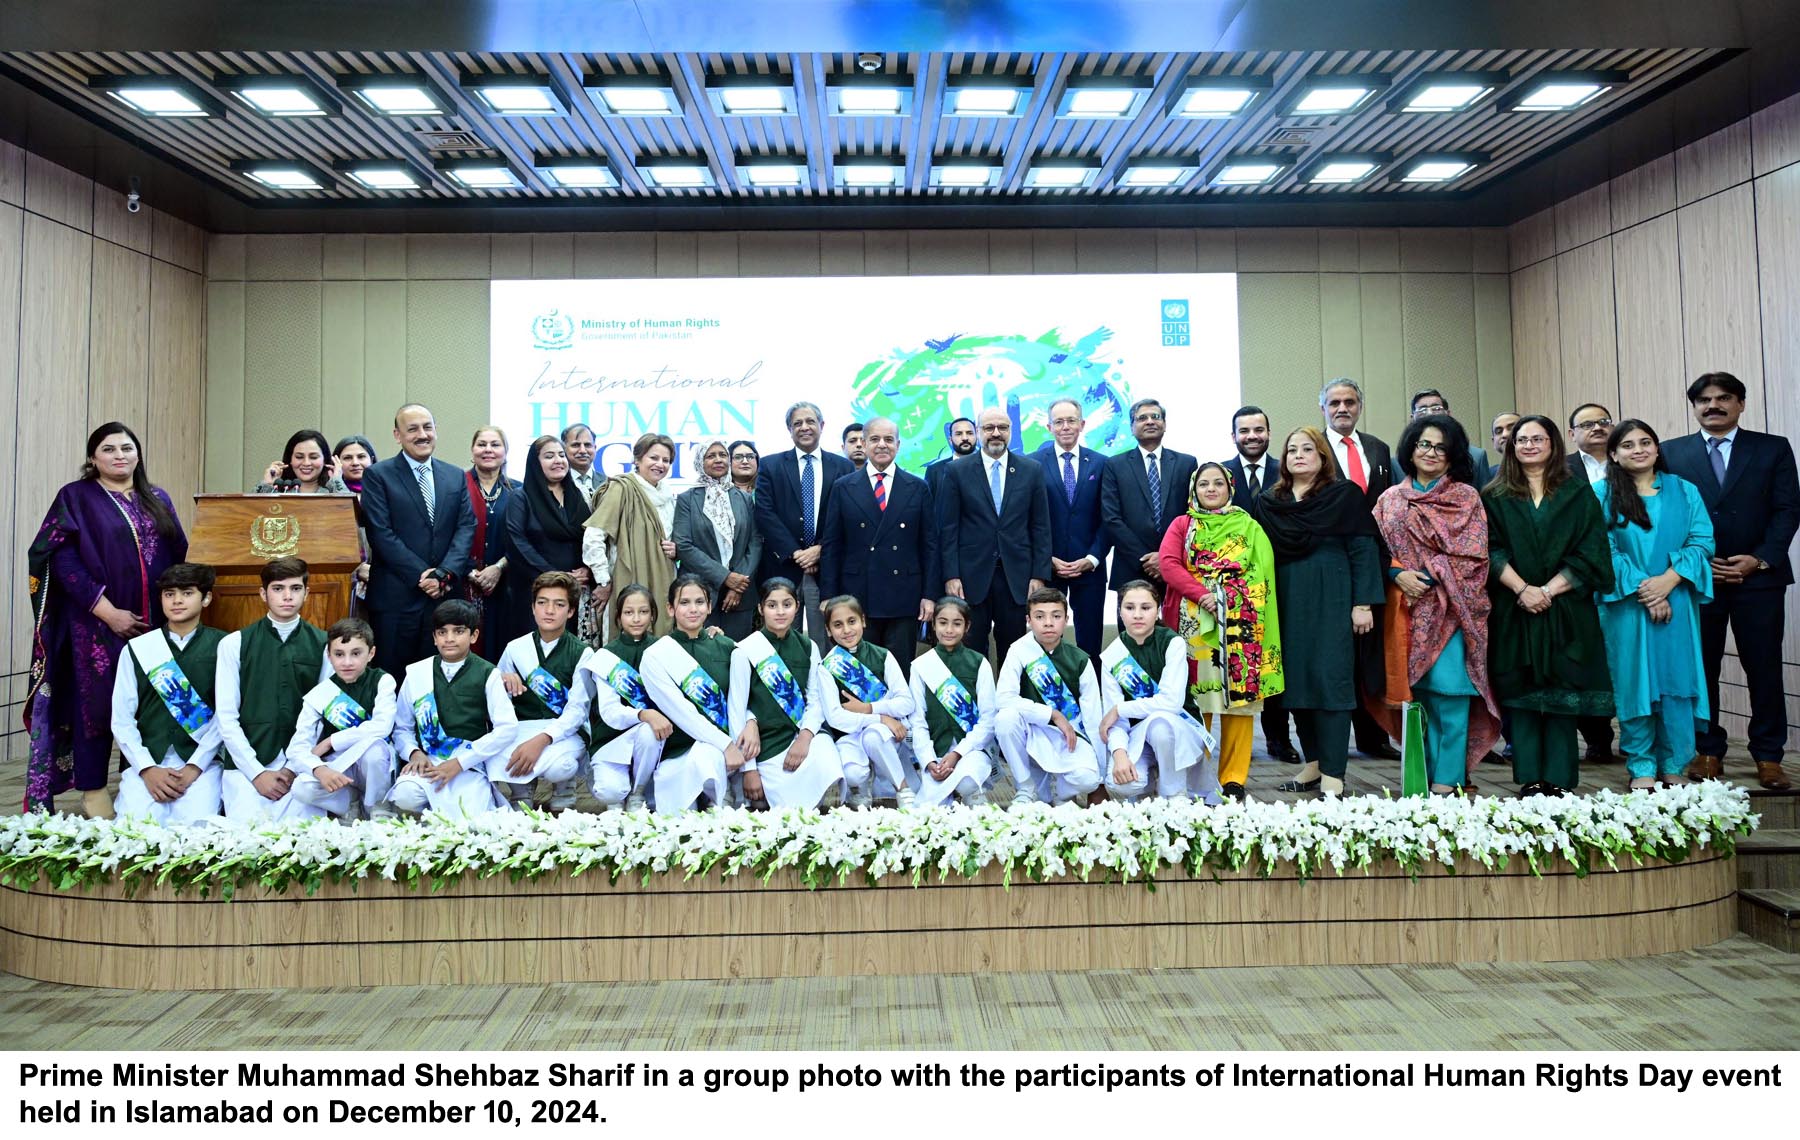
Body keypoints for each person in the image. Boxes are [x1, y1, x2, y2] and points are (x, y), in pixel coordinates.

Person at [24, 421, 189, 815]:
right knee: (97, 706)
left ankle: (143, 781)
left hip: (156, 626)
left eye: (127, 448)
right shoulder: (76, 497)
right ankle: (93, 788)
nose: (120, 456)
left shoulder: (157, 498)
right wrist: (108, 612)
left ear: (138, 454)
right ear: (92, 458)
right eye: (109, 449)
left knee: (158, 702)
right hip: (96, 625)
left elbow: (180, 554)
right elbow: (60, 560)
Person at [1662, 372, 1799, 789]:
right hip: (1697, 580)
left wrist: (1759, 560)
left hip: (1758, 579)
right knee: (1701, 668)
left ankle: (1769, 755)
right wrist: (1689, 563)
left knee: (1764, 667)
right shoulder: (1671, 452)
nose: (1713, 406)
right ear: (1694, 407)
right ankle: (1707, 750)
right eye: (1704, 400)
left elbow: (1788, 509)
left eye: (1723, 398)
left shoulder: (1772, 448)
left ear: (1741, 403)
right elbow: (1666, 514)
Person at [1483, 415, 1615, 796]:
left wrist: (1547, 591)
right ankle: (1530, 778)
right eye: (1521, 439)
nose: (1529, 445)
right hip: (1515, 607)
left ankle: (1559, 779)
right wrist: (1523, 589)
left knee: (1561, 693)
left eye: (1537, 438)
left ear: (1553, 444)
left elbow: (1592, 552)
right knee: (1521, 694)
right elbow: (1488, 549)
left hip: (1565, 608)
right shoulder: (1493, 495)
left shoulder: (1577, 493)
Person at [1371, 416, 1501, 794]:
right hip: (1403, 610)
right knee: (1419, 695)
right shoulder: (1390, 500)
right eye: (1424, 444)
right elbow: (1376, 550)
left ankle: (1449, 778)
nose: (1431, 452)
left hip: (1453, 610)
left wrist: (1427, 578)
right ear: (1411, 449)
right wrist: (1398, 574)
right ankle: (1421, 775)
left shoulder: (1465, 498)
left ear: (1453, 454)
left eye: (1441, 447)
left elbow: (1473, 555)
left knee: (1452, 692)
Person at [1257, 427, 1383, 798]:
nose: (1298, 455)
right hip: (1284, 600)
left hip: (1333, 596)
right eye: (1291, 449)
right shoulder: (1270, 501)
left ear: (1322, 456)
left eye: (1307, 449)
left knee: (1331, 682)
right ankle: (1312, 764)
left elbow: (1363, 548)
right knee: (1296, 685)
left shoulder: (1344, 496)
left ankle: (1333, 773)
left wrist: (1363, 603)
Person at [1594, 420, 1714, 791]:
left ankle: (1673, 762)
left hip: (1676, 599)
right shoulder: (1601, 493)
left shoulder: (1684, 490)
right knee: (1635, 682)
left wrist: (1668, 581)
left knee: (1677, 679)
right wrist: (1646, 590)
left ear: (1657, 448)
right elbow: (1601, 548)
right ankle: (1642, 763)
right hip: (1626, 603)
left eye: (1645, 442)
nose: (1639, 450)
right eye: (1628, 445)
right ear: (1614, 454)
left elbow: (1702, 541)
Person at [1159, 463, 1283, 802]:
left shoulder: (1248, 526)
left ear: (1230, 488)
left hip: (1241, 624)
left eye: (1218, 483)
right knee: (1197, 699)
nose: (1211, 489)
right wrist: (1204, 595)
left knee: (1238, 704)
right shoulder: (1183, 524)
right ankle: (1196, 773)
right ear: (1194, 490)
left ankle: (1233, 780)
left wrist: (1230, 599)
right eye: (1203, 484)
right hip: (1192, 624)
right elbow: (1169, 564)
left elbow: (1262, 571)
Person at [360, 404, 478, 672]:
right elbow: (380, 532)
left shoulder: (455, 475)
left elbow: (466, 526)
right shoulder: (378, 475)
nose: (422, 435)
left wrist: (443, 574)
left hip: (445, 597)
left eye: (427, 427)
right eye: (412, 429)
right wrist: (422, 576)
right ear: (397, 435)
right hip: (396, 599)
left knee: (442, 677)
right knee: (393, 677)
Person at [1318, 379, 1398, 760]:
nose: (1342, 409)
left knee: (1370, 652)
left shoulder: (1378, 448)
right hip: (1331, 561)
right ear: (1323, 408)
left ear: (1359, 407)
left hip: (1373, 562)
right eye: (1334, 402)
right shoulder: (1312, 447)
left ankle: (1373, 736)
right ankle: (1331, 741)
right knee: (1337, 652)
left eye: (1349, 402)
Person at [109, 562, 225, 825]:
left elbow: (227, 715)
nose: (177, 601)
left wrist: (195, 766)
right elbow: (121, 719)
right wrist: (147, 769)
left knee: (197, 830)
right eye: (169, 594)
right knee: (133, 828)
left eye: (187, 593)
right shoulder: (138, 649)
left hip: (202, 762)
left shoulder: (225, 646)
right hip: (147, 761)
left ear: (206, 598)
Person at [215, 557, 329, 823]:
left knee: (304, 841)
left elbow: (322, 716)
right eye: (278, 589)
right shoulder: (234, 643)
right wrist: (256, 773)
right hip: (246, 765)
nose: (287, 596)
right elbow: (226, 716)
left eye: (295, 588)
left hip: (302, 766)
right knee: (245, 838)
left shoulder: (324, 644)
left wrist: (292, 768)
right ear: (263, 594)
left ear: (306, 593)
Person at [821, 416, 939, 667]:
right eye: (875, 439)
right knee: (861, 671)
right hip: (857, 595)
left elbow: (929, 546)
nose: (882, 444)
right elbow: (832, 545)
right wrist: (828, 595)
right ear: (864, 444)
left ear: (898, 444)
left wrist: (930, 595)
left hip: (904, 595)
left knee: (900, 668)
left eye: (888, 439)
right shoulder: (843, 487)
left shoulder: (917, 487)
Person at [938, 408, 1053, 656]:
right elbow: (948, 528)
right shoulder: (957, 471)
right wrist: (950, 575)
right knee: (971, 652)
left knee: (1014, 653)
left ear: (1011, 431)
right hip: (971, 577)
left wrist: (1039, 574)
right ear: (978, 431)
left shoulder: (1031, 469)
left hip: (1017, 577)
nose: (996, 433)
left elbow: (1041, 527)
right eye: (989, 428)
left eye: (1003, 427)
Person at [390, 599, 514, 817]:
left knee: (472, 817)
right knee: (405, 796)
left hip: (469, 762)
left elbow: (507, 728)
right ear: (434, 637)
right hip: (429, 761)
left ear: (474, 636)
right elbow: (402, 727)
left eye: (458, 631)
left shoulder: (488, 673)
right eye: (442, 632)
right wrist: (414, 753)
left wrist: (461, 762)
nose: (449, 639)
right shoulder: (417, 673)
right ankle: (433, 810)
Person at [731, 578, 845, 810]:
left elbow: (816, 699)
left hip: (800, 734)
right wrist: (749, 770)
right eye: (772, 605)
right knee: (771, 805)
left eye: (787, 604)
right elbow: (736, 708)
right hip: (766, 743)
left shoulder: (808, 646)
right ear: (761, 609)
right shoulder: (744, 650)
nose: (780, 612)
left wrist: (805, 737)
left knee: (826, 755)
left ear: (797, 606)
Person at [1099, 580, 1215, 802]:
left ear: (1158, 610)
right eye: (1129, 607)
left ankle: (1174, 791)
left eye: (1146, 607)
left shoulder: (1173, 643)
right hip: (1138, 736)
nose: (1137, 615)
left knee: (1160, 724)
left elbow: (1171, 703)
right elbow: (1115, 722)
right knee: (1120, 784)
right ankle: (1150, 778)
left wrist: (1120, 709)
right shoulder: (1112, 656)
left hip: (1179, 728)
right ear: (1120, 612)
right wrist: (1119, 753)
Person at [755, 402, 854, 650]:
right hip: (783, 565)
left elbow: (846, 516)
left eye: (810, 421)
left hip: (826, 567)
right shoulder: (770, 465)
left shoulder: (843, 466)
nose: (804, 427)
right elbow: (765, 513)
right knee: (782, 639)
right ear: (789, 429)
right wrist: (796, 553)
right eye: (797, 423)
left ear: (822, 425)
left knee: (827, 639)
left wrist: (820, 549)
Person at [636, 576, 739, 812]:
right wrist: (726, 745)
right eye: (684, 603)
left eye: (699, 602)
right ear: (670, 609)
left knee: (707, 762)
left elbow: (743, 699)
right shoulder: (656, 655)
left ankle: (718, 794)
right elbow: (681, 712)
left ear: (710, 607)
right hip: (677, 750)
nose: (693, 609)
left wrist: (748, 724)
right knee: (680, 819)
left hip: (720, 751)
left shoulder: (726, 647)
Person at [1221, 405, 1290, 760]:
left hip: (1281, 577)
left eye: (1258, 430)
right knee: (1239, 660)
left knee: (1272, 657)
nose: (1252, 436)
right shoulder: (1219, 474)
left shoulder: (1287, 471)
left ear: (1269, 433)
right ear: (1233, 435)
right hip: (1235, 585)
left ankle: (1279, 739)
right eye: (1244, 430)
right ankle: (1237, 747)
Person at [995, 587, 1105, 806]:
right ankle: (1026, 786)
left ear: (1066, 619)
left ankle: (1061, 791)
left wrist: (1100, 780)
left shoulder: (1080, 659)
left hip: (1069, 735)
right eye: (1039, 617)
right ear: (1028, 620)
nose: (1048, 623)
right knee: (1004, 719)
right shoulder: (1018, 651)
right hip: (1031, 730)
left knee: (1088, 780)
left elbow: (1093, 717)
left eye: (1056, 616)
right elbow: (1004, 698)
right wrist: (1052, 714)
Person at [493, 572, 593, 812]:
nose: (549, 610)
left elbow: (578, 711)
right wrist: (501, 681)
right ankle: (521, 791)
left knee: (561, 767)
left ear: (571, 611)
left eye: (559, 604)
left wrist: (542, 740)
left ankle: (565, 787)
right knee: (495, 753)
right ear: (533, 608)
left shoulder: (583, 653)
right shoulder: (515, 648)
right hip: (522, 727)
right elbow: (496, 701)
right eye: (542, 602)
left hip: (565, 731)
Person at [286, 617, 397, 820]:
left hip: (374, 766)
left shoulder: (382, 681)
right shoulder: (320, 694)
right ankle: (351, 803)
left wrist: (331, 741)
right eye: (339, 654)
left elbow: (382, 727)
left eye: (356, 653)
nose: (347, 662)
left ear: (371, 653)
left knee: (374, 751)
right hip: (340, 766)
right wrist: (319, 769)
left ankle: (378, 807)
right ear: (329, 656)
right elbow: (297, 748)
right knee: (301, 788)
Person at [581, 584, 673, 812]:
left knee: (648, 732)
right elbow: (610, 713)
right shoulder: (606, 656)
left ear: (653, 615)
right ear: (618, 616)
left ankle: (637, 792)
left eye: (643, 612)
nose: (636, 619)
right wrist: (644, 714)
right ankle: (612, 781)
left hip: (654, 741)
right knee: (610, 792)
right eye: (629, 612)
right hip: (613, 740)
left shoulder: (665, 649)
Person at [820, 594, 917, 808]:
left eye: (852, 621)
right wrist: (881, 718)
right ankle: (861, 788)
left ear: (863, 621)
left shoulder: (883, 656)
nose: (846, 630)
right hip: (850, 734)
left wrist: (869, 708)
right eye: (838, 625)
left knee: (873, 737)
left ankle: (903, 788)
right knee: (853, 774)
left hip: (885, 735)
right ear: (828, 630)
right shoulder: (826, 667)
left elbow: (907, 703)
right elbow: (835, 718)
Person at [1031, 398, 1110, 660]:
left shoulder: (1102, 464)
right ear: (1049, 427)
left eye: (1071, 421)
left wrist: (1092, 558)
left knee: (1090, 642)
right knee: (1045, 641)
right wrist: (1046, 558)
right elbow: (1027, 520)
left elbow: (1108, 518)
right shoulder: (1031, 465)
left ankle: (1090, 687)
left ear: (1082, 424)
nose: (1065, 426)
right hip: (1047, 570)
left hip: (1089, 570)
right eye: (1059, 422)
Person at [587, 432, 680, 638]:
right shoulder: (621, 488)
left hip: (663, 579)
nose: (660, 464)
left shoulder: (667, 496)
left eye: (666, 460)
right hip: (627, 578)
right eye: (653, 458)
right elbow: (594, 536)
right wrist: (603, 581)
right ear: (637, 460)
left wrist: (676, 549)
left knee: (660, 637)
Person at [1101, 398, 1198, 593]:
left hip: (1178, 565)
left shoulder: (1186, 463)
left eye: (1155, 416)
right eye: (1142, 418)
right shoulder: (1114, 465)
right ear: (1132, 427)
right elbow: (1111, 518)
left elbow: (1193, 515)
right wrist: (1146, 558)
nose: (1150, 421)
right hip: (1131, 566)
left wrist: (1166, 557)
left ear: (1164, 424)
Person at [504, 435, 591, 651]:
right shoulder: (521, 497)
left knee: (569, 652)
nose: (558, 461)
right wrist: (554, 576)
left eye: (561, 455)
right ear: (535, 463)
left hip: (574, 591)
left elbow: (589, 538)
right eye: (549, 456)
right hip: (535, 590)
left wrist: (587, 569)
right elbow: (517, 544)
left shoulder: (576, 497)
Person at [908, 596, 996, 807]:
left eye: (957, 624)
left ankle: (970, 791)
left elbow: (988, 720)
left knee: (966, 783)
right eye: (943, 622)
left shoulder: (979, 663)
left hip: (971, 750)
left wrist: (957, 754)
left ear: (967, 626)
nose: (949, 630)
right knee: (929, 811)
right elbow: (917, 720)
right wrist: (929, 761)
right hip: (936, 752)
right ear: (933, 624)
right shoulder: (920, 666)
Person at [673, 440, 761, 639]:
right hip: (700, 593)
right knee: (702, 652)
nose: (718, 459)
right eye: (711, 456)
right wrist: (725, 577)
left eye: (722, 455)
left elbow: (755, 542)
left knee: (737, 652)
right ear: (700, 462)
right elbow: (684, 546)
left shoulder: (744, 498)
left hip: (740, 595)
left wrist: (738, 584)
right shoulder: (687, 499)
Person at [464, 426, 519, 658]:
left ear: (505, 452)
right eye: (482, 444)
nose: (488, 450)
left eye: (495, 445)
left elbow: (524, 539)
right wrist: (469, 571)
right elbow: (446, 534)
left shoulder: (519, 490)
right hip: (464, 583)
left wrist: (498, 567)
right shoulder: (456, 486)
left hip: (505, 585)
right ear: (472, 450)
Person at [1397, 391, 1494, 487]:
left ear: (1448, 413)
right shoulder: (1395, 468)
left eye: (1436, 409)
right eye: (1422, 410)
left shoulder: (1477, 456)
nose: (1430, 414)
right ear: (1412, 418)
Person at [335, 435, 378, 612]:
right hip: (345, 577)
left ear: (372, 459)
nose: (355, 463)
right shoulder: (329, 492)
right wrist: (358, 567)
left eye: (361, 457)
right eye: (347, 458)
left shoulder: (383, 491)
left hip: (379, 577)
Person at [253, 429, 349, 494]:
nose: (306, 463)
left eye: (313, 457)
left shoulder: (333, 491)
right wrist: (267, 484)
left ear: (325, 460)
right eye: (299, 457)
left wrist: (337, 481)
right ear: (290, 460)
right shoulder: (278, 492)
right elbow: (251, 512)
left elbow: (348, 511)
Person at [926, 416, 979, 501]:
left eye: (969, 433)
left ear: (977, 436)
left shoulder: (988, 466)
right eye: (959, 434)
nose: (965, 438)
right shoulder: (934, 471)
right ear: (950, 440)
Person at [1567, 402, 1614, 485]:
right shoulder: (1559, 467)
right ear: (1572, 434)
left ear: (1613, 429)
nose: (1597, 428)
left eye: (1603, 422)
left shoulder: (1627, 461)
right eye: (1587, 425)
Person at [561, 423, 600, 504]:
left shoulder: (609, 484)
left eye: (587, 445)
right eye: (576, 445)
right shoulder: (556, 484)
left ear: (595, 448)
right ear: (563, 449)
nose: (582, 450)